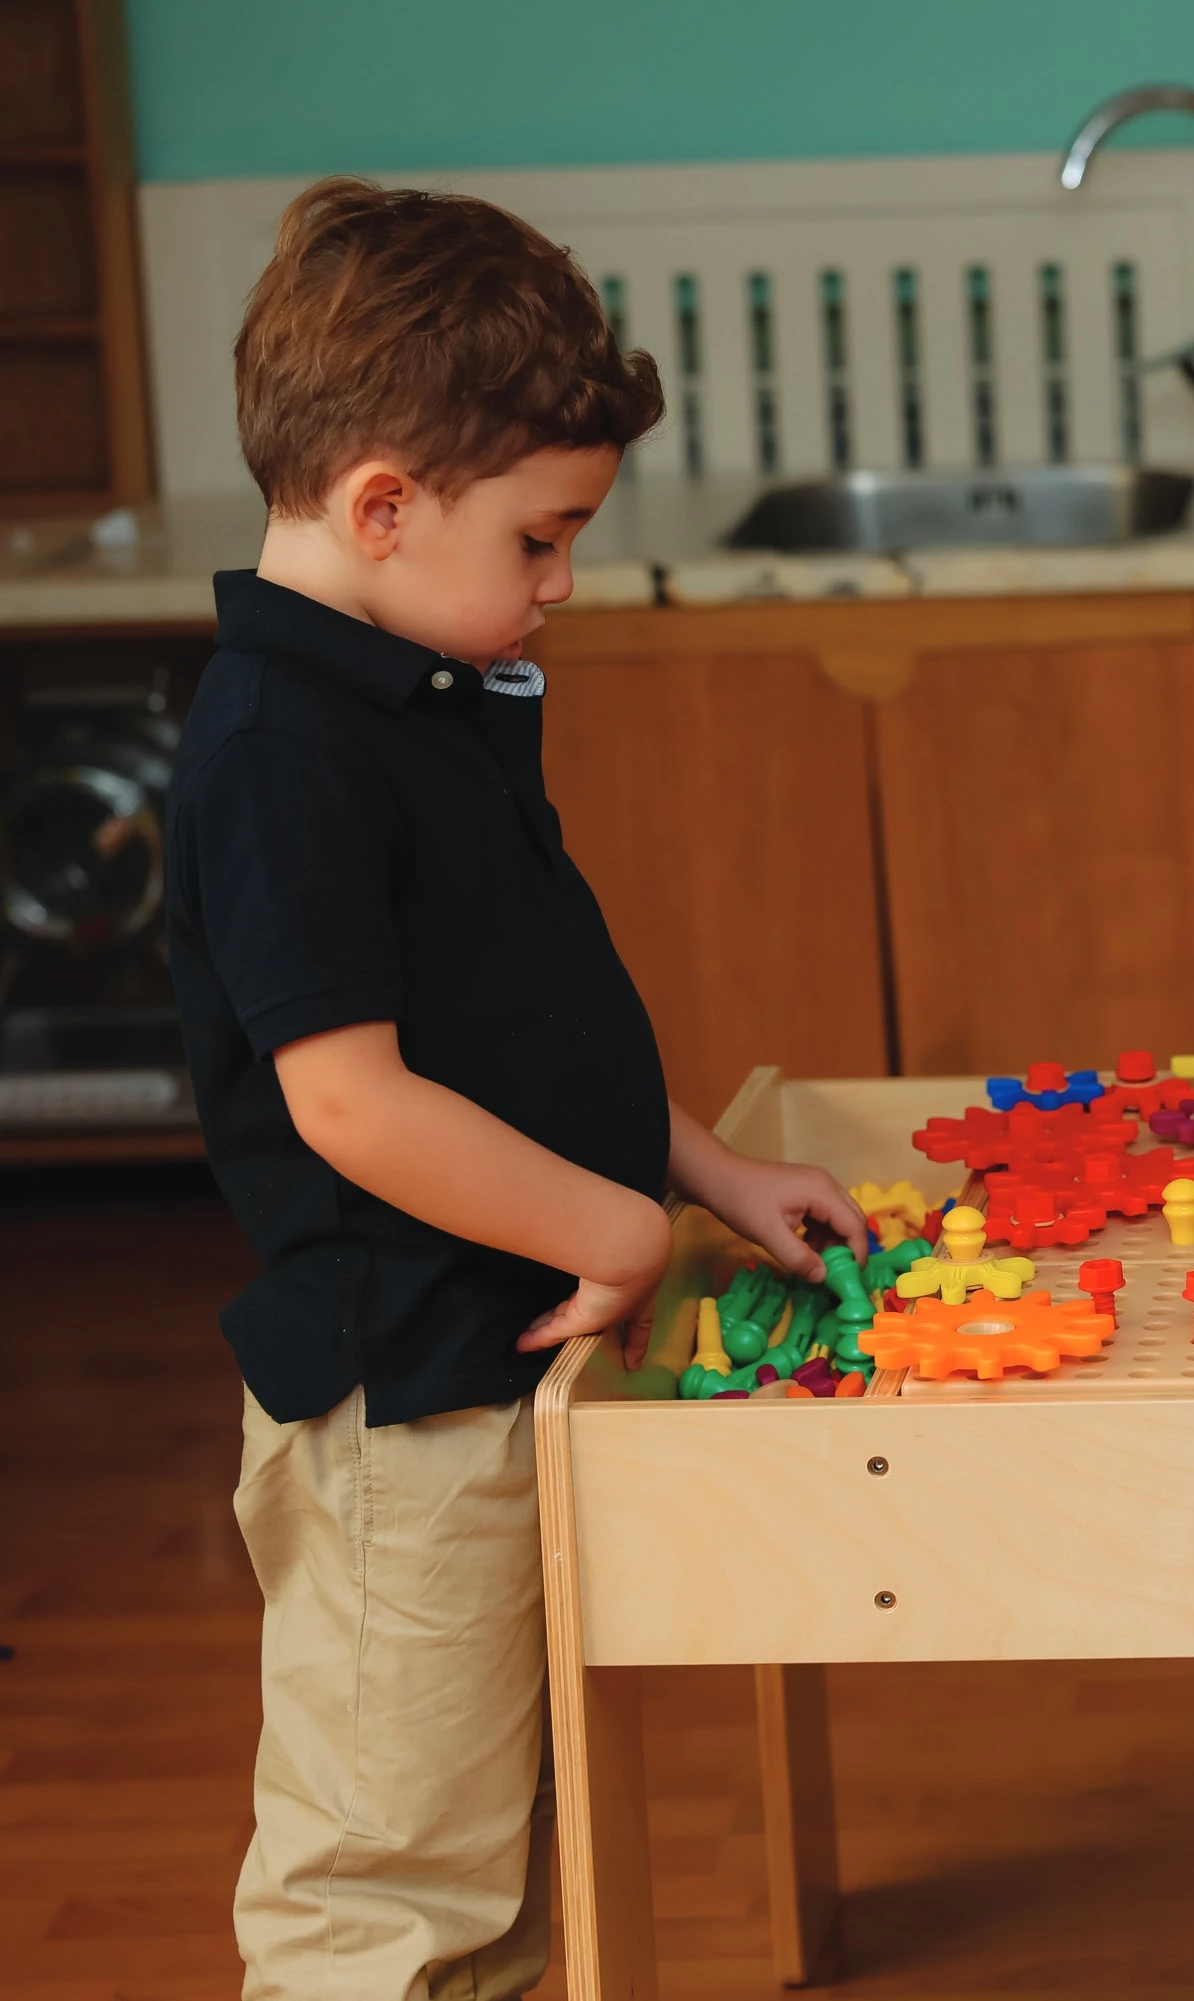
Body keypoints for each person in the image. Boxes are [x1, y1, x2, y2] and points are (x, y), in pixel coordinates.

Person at [167, 178, 867, 2000]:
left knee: (490, 1861)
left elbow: (521, 1023)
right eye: (541, 537)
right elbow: (353, 1103)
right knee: (387, 1887)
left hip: (501, 1363)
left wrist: (701, 1170)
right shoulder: (280, 752)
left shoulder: (426, 689)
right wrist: (612, 1231)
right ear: (382, 507)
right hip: (405, 1408)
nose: (562, 579)